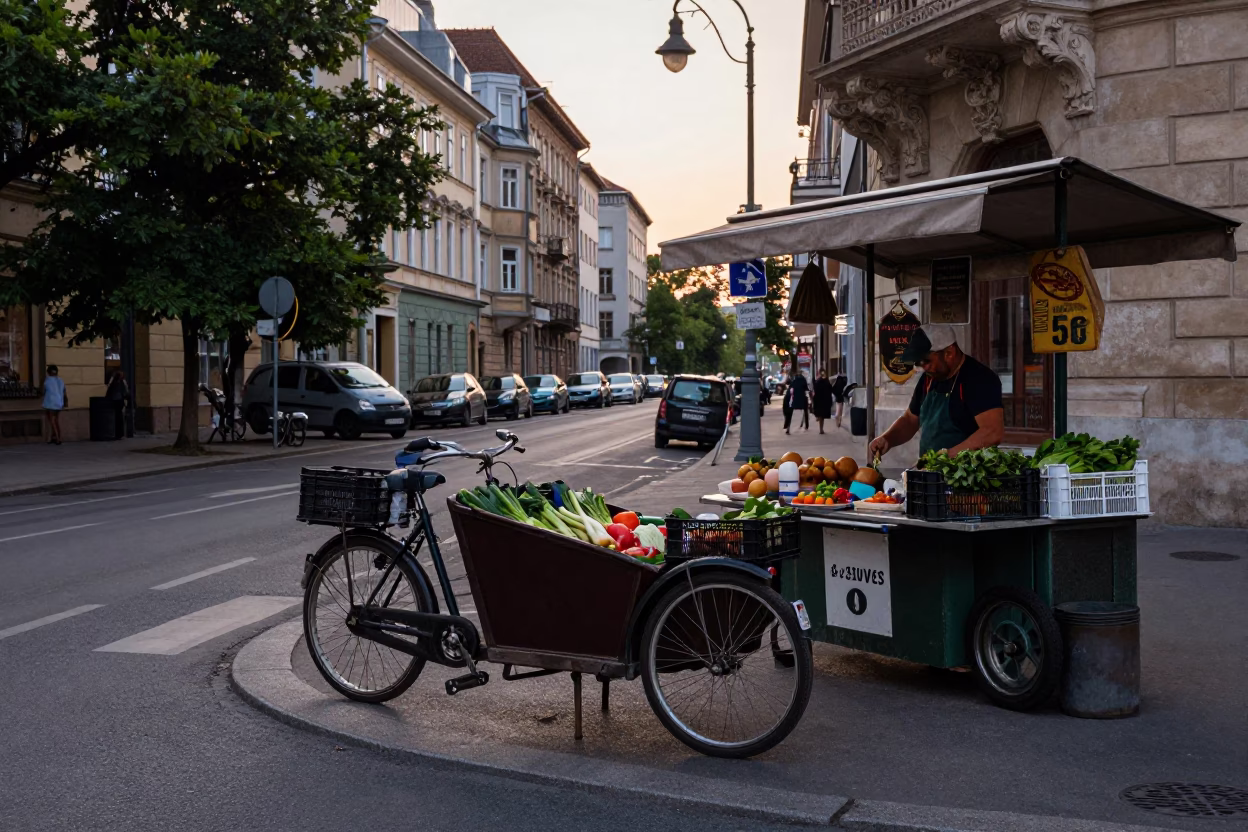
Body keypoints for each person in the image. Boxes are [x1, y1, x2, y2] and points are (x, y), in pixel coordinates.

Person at [868, 324, 1004, 463]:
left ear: (949, 353)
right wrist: (888, 438)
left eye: (926, 361)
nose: (923, 367)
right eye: (918, 363)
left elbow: (992, 432)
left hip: (968, 476)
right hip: (932, 474)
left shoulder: (979, 379)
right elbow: (910, 420)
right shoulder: (929, 378)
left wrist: (947, 457)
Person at [42, 364, 66, 445]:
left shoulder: (47, 381)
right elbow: (64, 391)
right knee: (56, 421)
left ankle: (58, 438)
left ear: (48, 372)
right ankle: (54, 437)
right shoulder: (61, 380)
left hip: (51, 403)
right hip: (59, 402)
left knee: (52, 421)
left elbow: (44, 391)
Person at [106, 370, 129, 439]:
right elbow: (126, 392)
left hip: (115, 401)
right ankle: (120, 433)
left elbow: (109, 391)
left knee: (116, 417)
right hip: (119, 401)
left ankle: (117, 433)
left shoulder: (114, 383)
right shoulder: (122, 382)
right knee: (119, 417)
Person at [812, 369, 834, 434]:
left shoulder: (817, 382)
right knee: (822, 415)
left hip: (819, 400)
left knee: (820, 415)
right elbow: (830, 389)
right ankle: (821, 429)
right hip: (824, 400)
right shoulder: (826, 381)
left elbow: (815, 390)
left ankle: (821, 428)